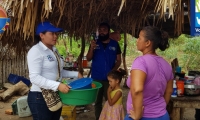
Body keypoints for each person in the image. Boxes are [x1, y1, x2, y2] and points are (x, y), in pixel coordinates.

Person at [27, 21, 82, 120]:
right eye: (52, 33)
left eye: (56, 33)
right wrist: (58, 85)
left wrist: (76, 74)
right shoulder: (36, 51)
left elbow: (58, 72)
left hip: (54, 95)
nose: (55, 36)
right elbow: (34, 78)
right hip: (40, 97)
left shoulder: (54, 50)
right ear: (42, 35)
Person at [124, 26, 173, 120]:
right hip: (162, 115)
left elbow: (137, 90)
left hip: (143, 116)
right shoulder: (166, 64)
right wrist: (160, 108)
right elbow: (169, 91)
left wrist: (138, 115)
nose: (137, 40)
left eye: (139, 38)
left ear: (147, 43)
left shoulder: (141, 62)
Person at [86, 22, 122, 120]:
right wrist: (92, 48)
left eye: (104, 30)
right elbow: (88, 58)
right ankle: (98, 117)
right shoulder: (94, 43)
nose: (102, 32)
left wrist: (113, 72)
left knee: (109, 100)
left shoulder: (115, 44)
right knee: (97, 101)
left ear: (108, 31)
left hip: (109, 79)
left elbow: (119, 60)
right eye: (100, 30)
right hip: (96, 78)